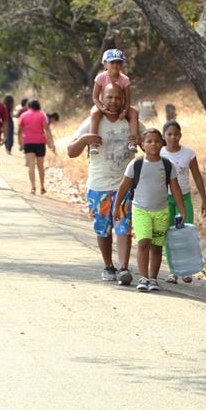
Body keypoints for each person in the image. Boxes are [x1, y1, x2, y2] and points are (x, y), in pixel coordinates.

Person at [67, 84, 139, 285]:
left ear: (123, 99)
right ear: (101, 97)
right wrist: (84, 140)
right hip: (98, 186)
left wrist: (141, 140)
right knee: (103, 230)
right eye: (110, 97)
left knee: (124, 227)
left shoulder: (130, 121)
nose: (114, 101)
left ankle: (124, 268)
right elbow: (71, 151)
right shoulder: (92, 122)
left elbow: (150, 142)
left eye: (118, 97)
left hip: (124, 185)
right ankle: (109, 266)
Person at [115, 128, 186, 293]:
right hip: (140, 210)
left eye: (156, 141)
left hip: (161, 212)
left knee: (156, 246)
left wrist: (182, 210)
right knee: (143, 242)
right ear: (142, 145)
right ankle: (143, 277)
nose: (153, 144)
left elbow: (175, 189)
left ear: (162, 143)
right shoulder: (136, 164)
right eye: (149, 141)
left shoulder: (168, 165)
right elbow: (124, 185)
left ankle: (153, 279)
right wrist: (117, 206)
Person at [160, 120, 206, 283]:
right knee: (169, 234)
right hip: (165, 199)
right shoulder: (159, 153)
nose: (173, 137)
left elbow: (197, 177)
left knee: (185, 232)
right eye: (169, 134)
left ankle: (186, 270)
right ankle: (173, 271)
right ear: (164, 136)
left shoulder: (188, 153)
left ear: (180, 135)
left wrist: (204, 200)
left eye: (176, 134)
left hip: (185, 198)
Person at [89, 49, 140, 155]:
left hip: (119, 106)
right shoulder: (101, 77)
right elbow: (95, 97)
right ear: (105, 64)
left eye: (119, 62)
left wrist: (125, 111)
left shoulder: (125, 80)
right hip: (103, 105)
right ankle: (93, 143)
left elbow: (127, 99)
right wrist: (101, 108)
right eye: (112, 62)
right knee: (94, 113)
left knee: (134, 112)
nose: (115, 65)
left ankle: (133, 141)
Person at [17, 99, 56, 194]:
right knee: (40, 166)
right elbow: (47, 129)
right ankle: (42, 187)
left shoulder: (24, 115)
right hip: (40, 143)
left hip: (28, 142)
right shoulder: (42, 115)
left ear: (29, 106)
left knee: (31, 166)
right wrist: (51, 143)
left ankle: (33, 187)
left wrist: (20, 142)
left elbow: (20, 130)